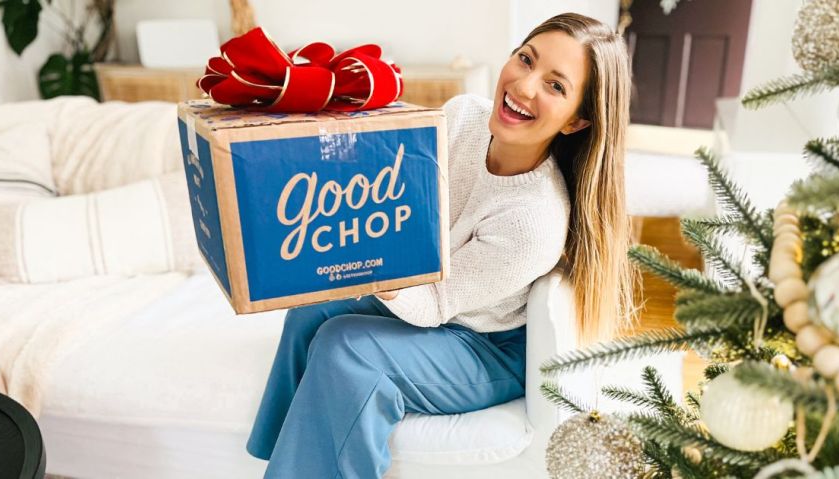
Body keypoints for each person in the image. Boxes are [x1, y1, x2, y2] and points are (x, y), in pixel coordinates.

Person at [246, 12, 636, 478]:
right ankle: (281, 458)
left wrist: (367, 266)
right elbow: (402, 204)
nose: (525, 86)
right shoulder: (461, 116)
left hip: (485, 341)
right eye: (526, 59)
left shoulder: (533, 219)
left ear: (576, 121)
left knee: (346, 349)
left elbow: (434, 300)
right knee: (312, 310)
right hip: (437, 292)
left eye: (555, 86)